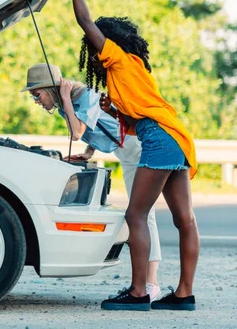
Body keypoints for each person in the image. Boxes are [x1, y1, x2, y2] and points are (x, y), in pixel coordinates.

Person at [52, 0, 199, 311]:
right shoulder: (133, 69)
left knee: (135, 215)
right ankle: (183, 295)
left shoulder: (117, 59)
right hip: (175, 136)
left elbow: (85, 22)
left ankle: (138, 292)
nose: (94, 52)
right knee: (185, 220)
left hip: (161, 138)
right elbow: (129, 123)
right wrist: (103, 128)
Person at [21, 64, 162, 302]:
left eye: (37, 94)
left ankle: (152, 284)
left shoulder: (84, 96)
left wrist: (65, 99)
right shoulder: (64, 103)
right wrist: (89, 151)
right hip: (126, 153)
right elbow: (99, 126)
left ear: (50, 88)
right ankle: (146, 284)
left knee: (144, 216)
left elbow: (77, 131)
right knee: (140, 215)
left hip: (139, 149)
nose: (36, 100)